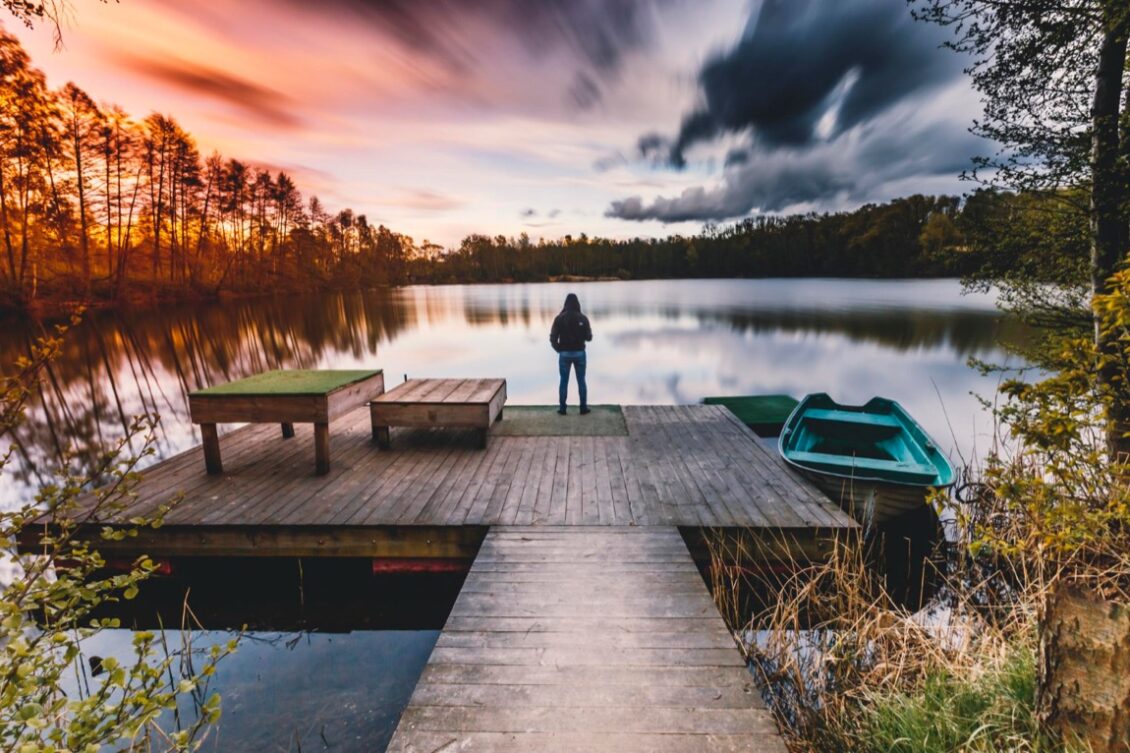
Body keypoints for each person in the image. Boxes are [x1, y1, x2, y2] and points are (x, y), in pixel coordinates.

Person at [549, 292, 592, 415]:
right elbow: (589, 337)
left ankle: (562, 409)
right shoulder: (583, 318)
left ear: (566, 304)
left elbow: (552, 338)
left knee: (563, 381)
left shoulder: (559, 318)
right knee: (581, 380)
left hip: (565, 354)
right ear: (577, 303)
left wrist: (559, 349)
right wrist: (583, 334)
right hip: (579, 353)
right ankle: (583, 408)